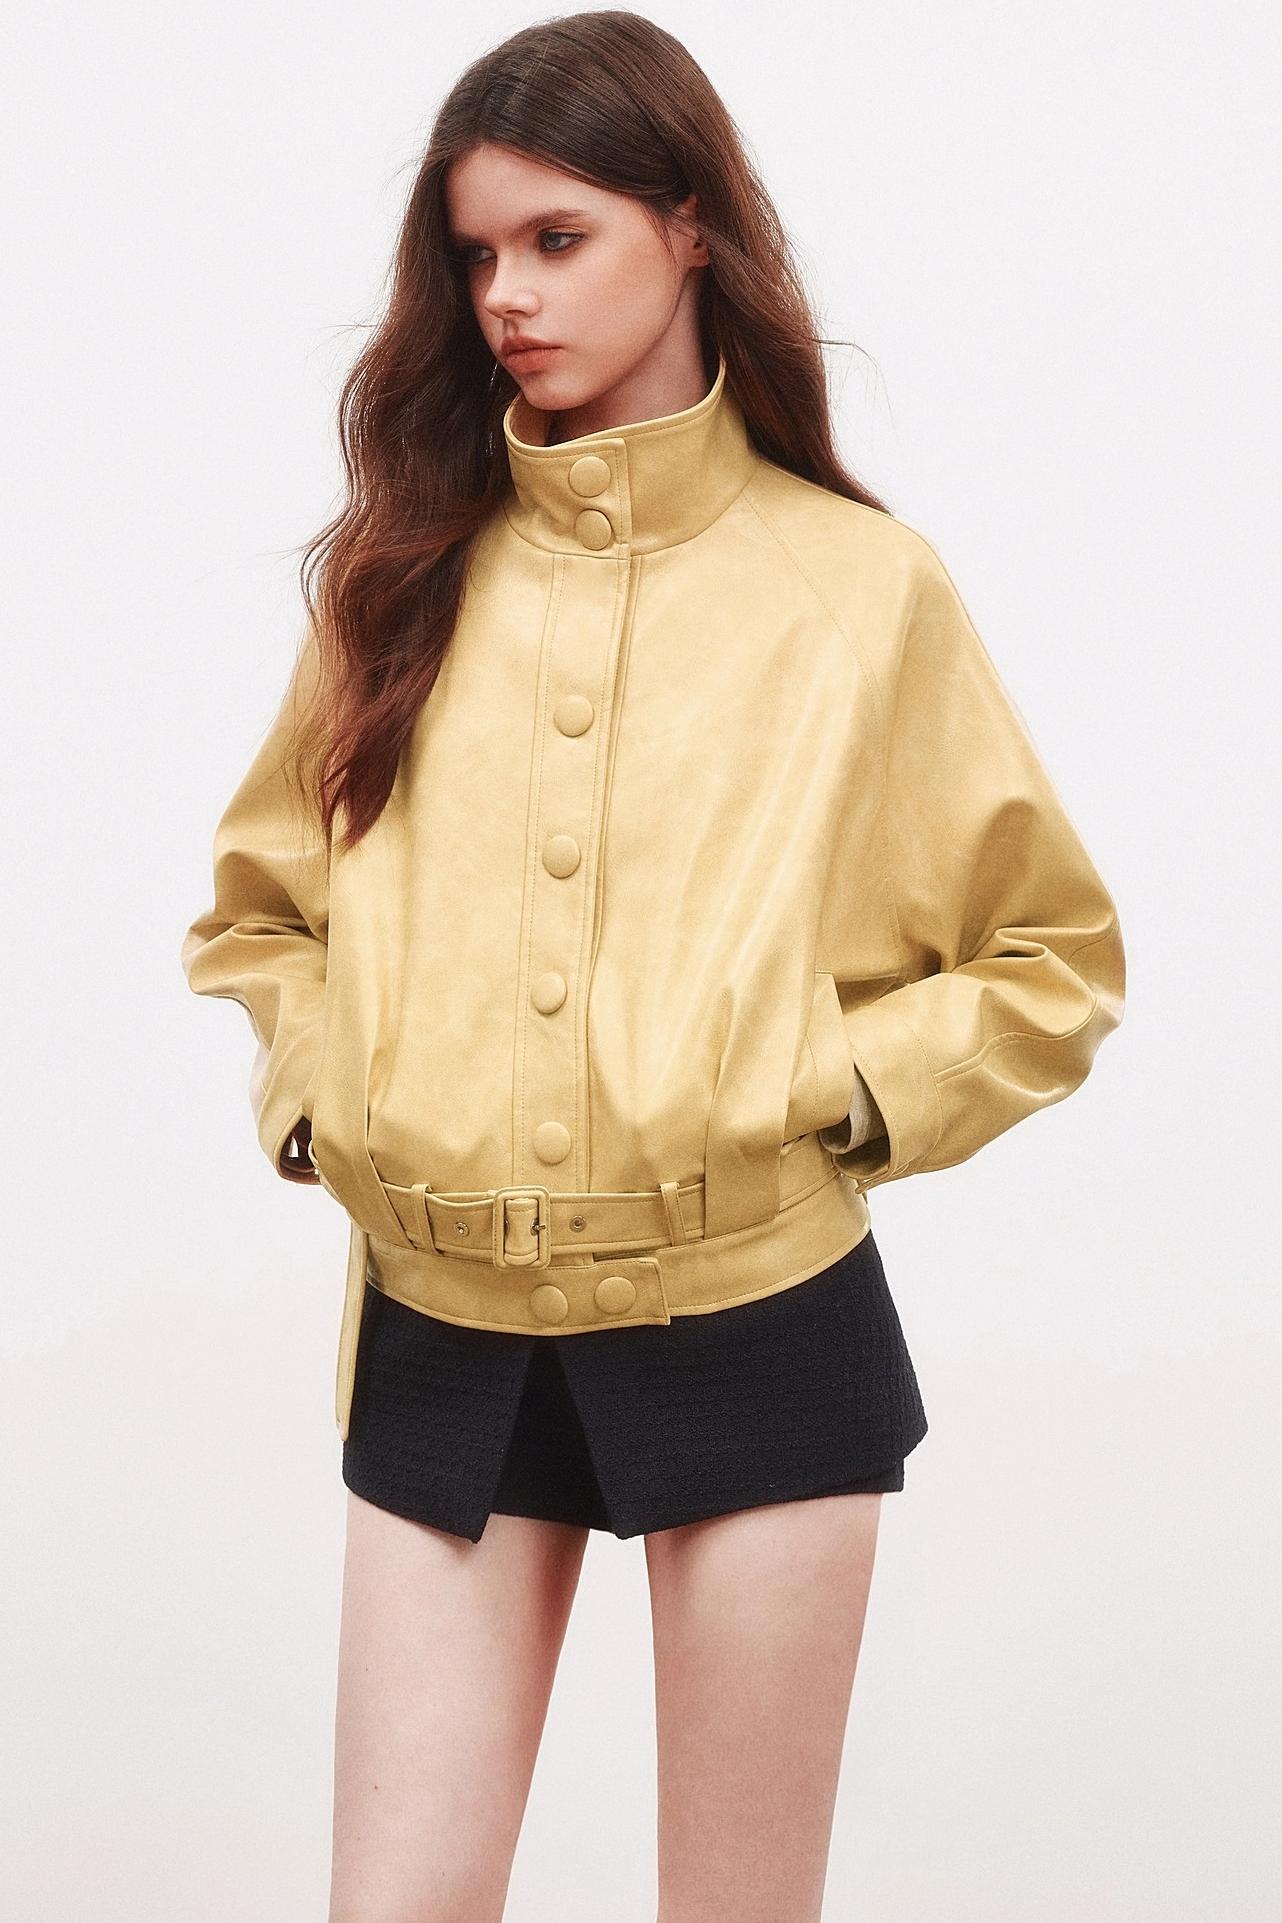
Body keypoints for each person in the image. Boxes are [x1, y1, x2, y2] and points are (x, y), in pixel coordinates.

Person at [180, 12, 1126, 1919]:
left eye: (558, 239)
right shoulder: (399, 574)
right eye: (476, 253)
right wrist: (324, 1093)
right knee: (398, 1901)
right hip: (444, 1316)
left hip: (756, 1308)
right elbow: (262, 914)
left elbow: (1048, 958)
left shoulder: (856, 591)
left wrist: (822, 1091)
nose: (506, 298)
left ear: (688, 228)